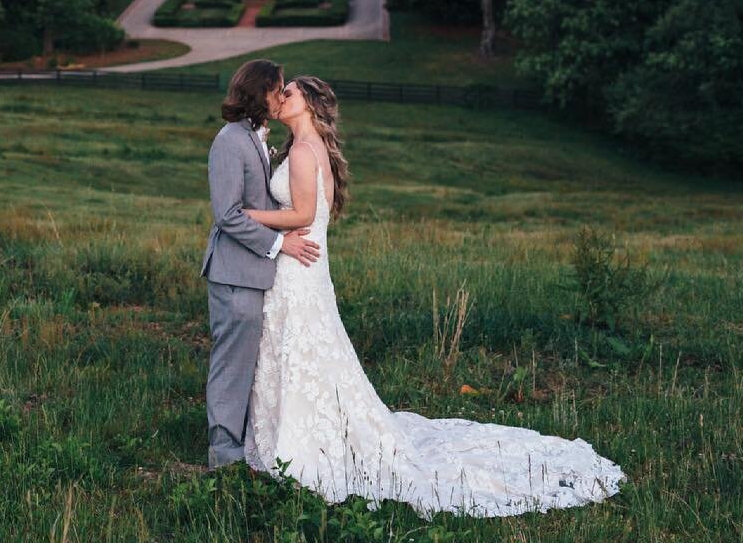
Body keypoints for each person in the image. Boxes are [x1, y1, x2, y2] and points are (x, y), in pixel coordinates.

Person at [242, 76, 625, 517]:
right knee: (297, 352)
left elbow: (304, 214)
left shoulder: (307, 151)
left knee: (302, 351)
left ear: (308, 103)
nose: (279, 97)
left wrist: (247, 215)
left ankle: (305, 448)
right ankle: (291, 437)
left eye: (288, 92)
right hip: (300, 265)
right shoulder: (299, 148)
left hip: (301, 265)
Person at [202, 59, 321, 469]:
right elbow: (229, 215)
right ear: (260, 91)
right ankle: (225, 454)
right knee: (232, 363)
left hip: (253, 274)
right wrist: (279, 244)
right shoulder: (230, 141)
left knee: (250, 363)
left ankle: (250, 441)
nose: (283, 94)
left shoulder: (254, 136)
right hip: (234, 272)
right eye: (278, 88)